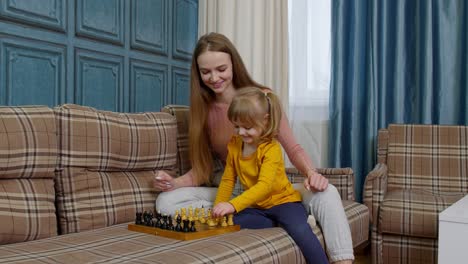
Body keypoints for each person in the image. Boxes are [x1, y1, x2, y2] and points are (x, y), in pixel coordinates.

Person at [154, 32, 354, 263]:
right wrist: (173, 183)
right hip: (236, 191)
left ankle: (340, 258)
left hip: (271, 188)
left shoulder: (263, 99)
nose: (214, 77)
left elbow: (293, 148)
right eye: (205, 72)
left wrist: (311, 173)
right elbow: (204, 169)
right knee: (165, 203)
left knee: (328, 192)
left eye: (221, 69)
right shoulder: (204, 111)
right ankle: (277, 218)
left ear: (234, 65)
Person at [211, 87, 328, 264]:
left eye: (247, 127)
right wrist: (219, 205)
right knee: (230, 222)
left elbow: (264, 186)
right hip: (257, 207)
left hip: (283, 203)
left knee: (300, 230)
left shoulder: (271, 149)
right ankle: (276, 222)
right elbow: (228, 179)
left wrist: (232, 204)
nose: (241, 132)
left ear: (265, 122)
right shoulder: (235, 144)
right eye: (236, 126)